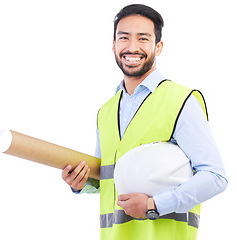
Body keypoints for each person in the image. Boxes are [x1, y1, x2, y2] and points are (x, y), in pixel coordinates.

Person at [61, 4, 227, 240]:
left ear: (158, 47)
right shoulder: (105, 112)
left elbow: (215, 177)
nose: (132, 47)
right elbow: (108, 177)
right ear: (113, 46)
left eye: (143, 39)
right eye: (124, 38)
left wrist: (153, 205)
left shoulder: (181, 101)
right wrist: (81, 182)